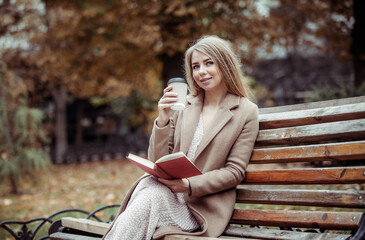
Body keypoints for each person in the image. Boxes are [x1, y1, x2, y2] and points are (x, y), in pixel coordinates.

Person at [103, 35, 259, 240]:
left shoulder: (245, 111)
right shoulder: (184, 105)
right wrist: (163, 118)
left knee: (150, 197)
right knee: (149, 189)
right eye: (195, 66)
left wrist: (190, 185)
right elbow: (158, 160)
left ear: (224, 64)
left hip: (200, 206)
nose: (201, 71)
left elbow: (235, 171)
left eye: (209, 63)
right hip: (165, 191)